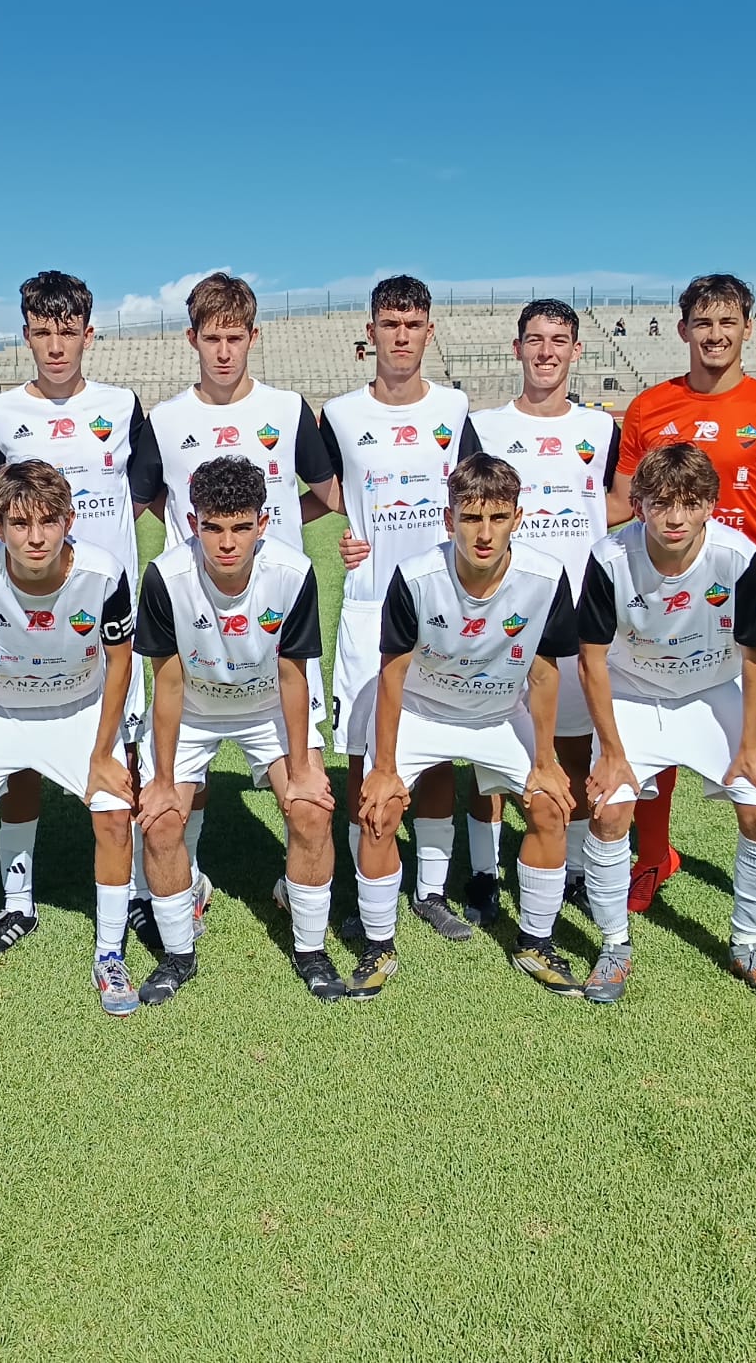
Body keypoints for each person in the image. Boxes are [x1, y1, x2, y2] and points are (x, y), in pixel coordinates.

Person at [605, 273, 756, 937]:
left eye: (727, 322)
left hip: (738, 600)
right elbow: (622, 504)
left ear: (748, 328)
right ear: (683, 329)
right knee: (654, 726)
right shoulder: (648, 408)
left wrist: (752, 585)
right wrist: (545, 530)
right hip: (658, 602)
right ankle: (653, 857)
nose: (715, 335)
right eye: (703, 322)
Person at [130, 272, 337, 929]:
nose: (224, 351)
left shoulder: (287, 409)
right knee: (181, 781)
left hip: (275, 622)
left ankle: (296, 891)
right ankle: (184, 884)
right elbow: (145, 500)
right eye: (212, 338)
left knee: (305, 791)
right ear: (191, 338)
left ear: (254, 337)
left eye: (236, 337)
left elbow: (331, 494)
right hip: (198, 619)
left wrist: (277, 529)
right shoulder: (165, 421)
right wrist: (194, 540)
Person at [0, 271, 156, 958]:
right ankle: (18, 899)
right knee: (21, 757)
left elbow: (143, 491)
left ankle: (134, 891)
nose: (56, 346)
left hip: (104, 616)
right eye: (43, 332)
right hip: (23, 618)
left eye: (68, 331)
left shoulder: (122, 404)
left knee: (124, 751)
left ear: (88, 333)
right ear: (27, 334)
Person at [576, 443, 756, 1006]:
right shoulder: (609, 558)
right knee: (610, 811)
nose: (675, 518)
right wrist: (612, 751)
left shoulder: (737, 556)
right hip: (634, 691)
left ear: (711, 506)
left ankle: (747, 944)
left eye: (691, 504)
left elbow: (755, 652)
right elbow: (592, 660)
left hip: (711, 691)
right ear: (639, 505)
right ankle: (614, 946)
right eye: (661, 504)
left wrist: (752, 744)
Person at [352, 453, 579, 999]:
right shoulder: (415, 577)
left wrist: (545, 761)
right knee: (379, 812)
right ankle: (378, 946)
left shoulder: (547, 578)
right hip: (420, 710)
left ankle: (536, 943)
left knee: (550, 806)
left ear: (517, 518)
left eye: (498, 518)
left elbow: (544, 675)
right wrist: (384, 768)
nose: (484, 533)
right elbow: (392, 676)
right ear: (448, 518)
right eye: (471, 517)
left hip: (498, 714)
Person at [0, 461, 140, 1022]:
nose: (35, 537)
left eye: (49, 521)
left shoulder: (104, 573)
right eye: (20, 523)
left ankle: (109, 955)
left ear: (70, 521)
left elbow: (120, 663)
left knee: (114, 816)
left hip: (80, 710)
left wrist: (103, 752)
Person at [134, 457, 340, 1000]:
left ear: (263, 523)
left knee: (311, 810)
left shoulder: (293, 572)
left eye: (241, 527)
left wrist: (302, 770)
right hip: (194, 709)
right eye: (213, 527)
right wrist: (162, 781)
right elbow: (167, 685)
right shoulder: (165, 577)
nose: (227, 543)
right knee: (160, 820)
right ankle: (178, 954)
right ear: (192, 523)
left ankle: (311, 949)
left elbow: (294, 676)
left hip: (269, 706)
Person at [317, 275, 481, 926]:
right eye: (390, 324)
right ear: (371, 332)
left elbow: (475, 495)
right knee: (363, 751)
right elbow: (325, 489)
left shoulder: (455, 409)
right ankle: (363, 887)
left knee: (434, 748)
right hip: (369, 604)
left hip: (441, 599)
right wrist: (351, 524)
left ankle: (432, 889)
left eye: (413, 325)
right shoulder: (340, 414)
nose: (401, 336)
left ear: (429, 331)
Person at [463, 299, 620, 926]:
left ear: (576, 350)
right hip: (498, 611)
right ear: (517, 348)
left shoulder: (600, 428)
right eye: (535, 339)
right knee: (490, 751)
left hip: (575, 613)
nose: (546, 351)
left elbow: (618, 500)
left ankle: (574, 867)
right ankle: (482, 872)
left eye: (559, 340)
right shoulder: (484, 427)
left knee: (574, 747)